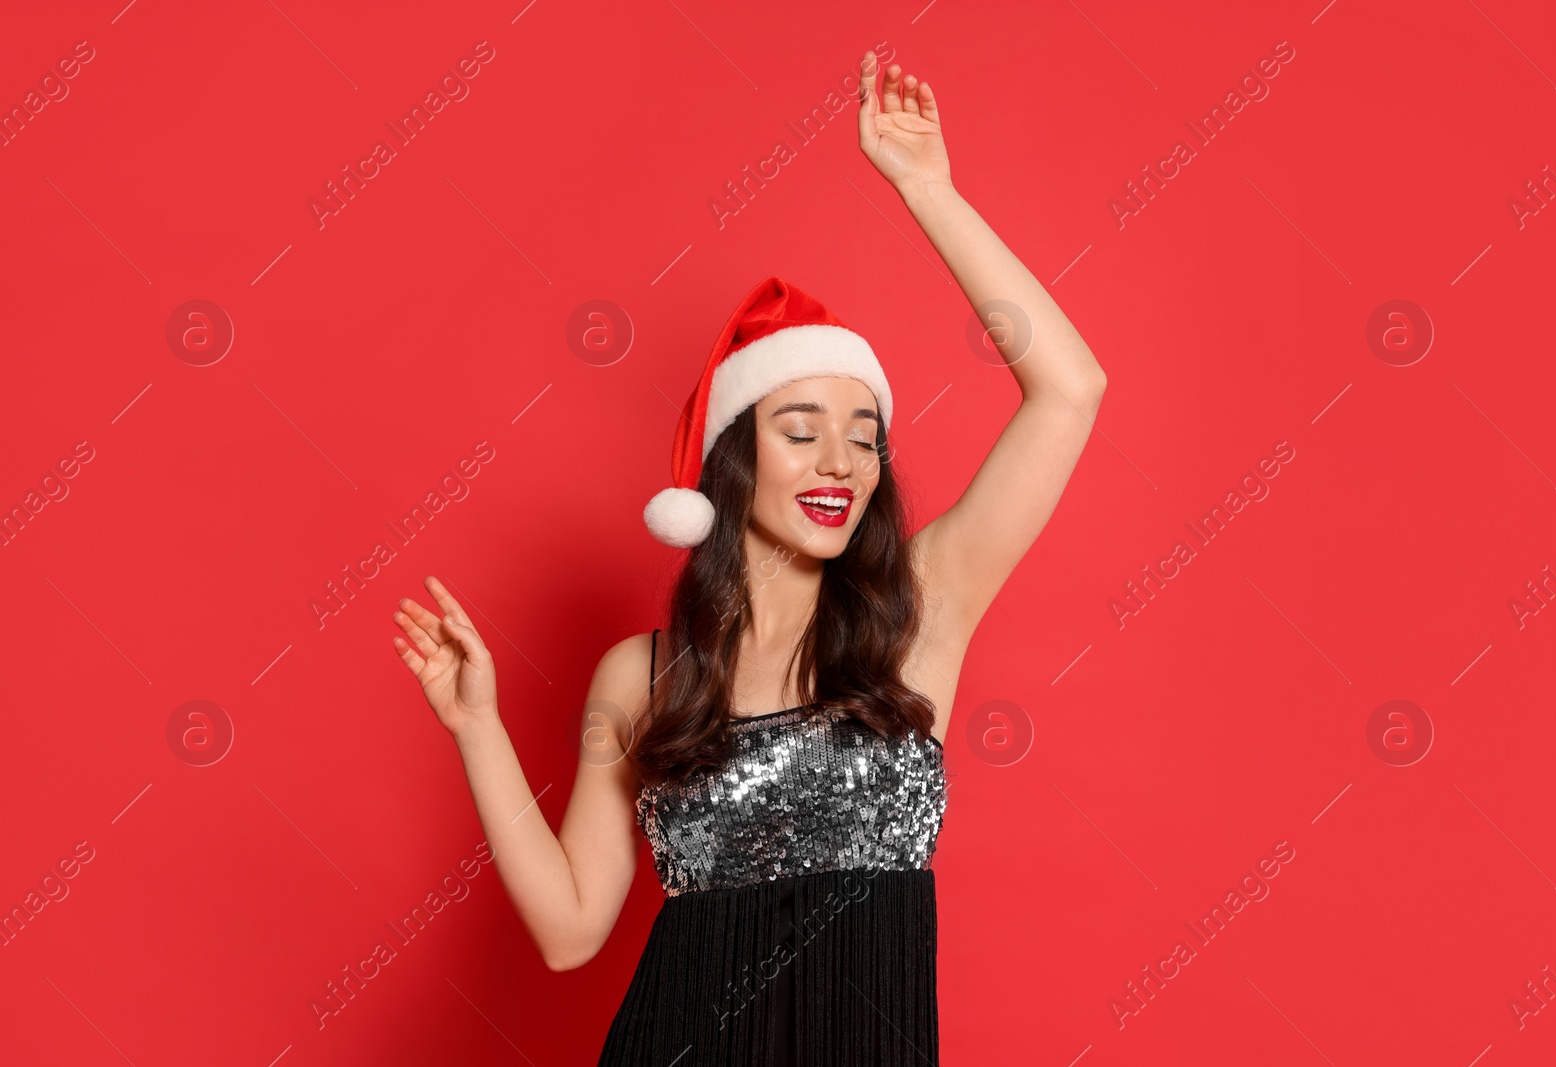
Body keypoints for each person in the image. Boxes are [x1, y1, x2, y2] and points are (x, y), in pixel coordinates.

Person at [391, 49, 1108, 1066]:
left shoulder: (920, 613)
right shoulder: (642, 677)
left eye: (864, 433)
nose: (839, 459)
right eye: (800, 427)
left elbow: (1068, 389)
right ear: (733, 460)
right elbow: (569, 928)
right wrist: (476, 725)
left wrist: (928, 191)